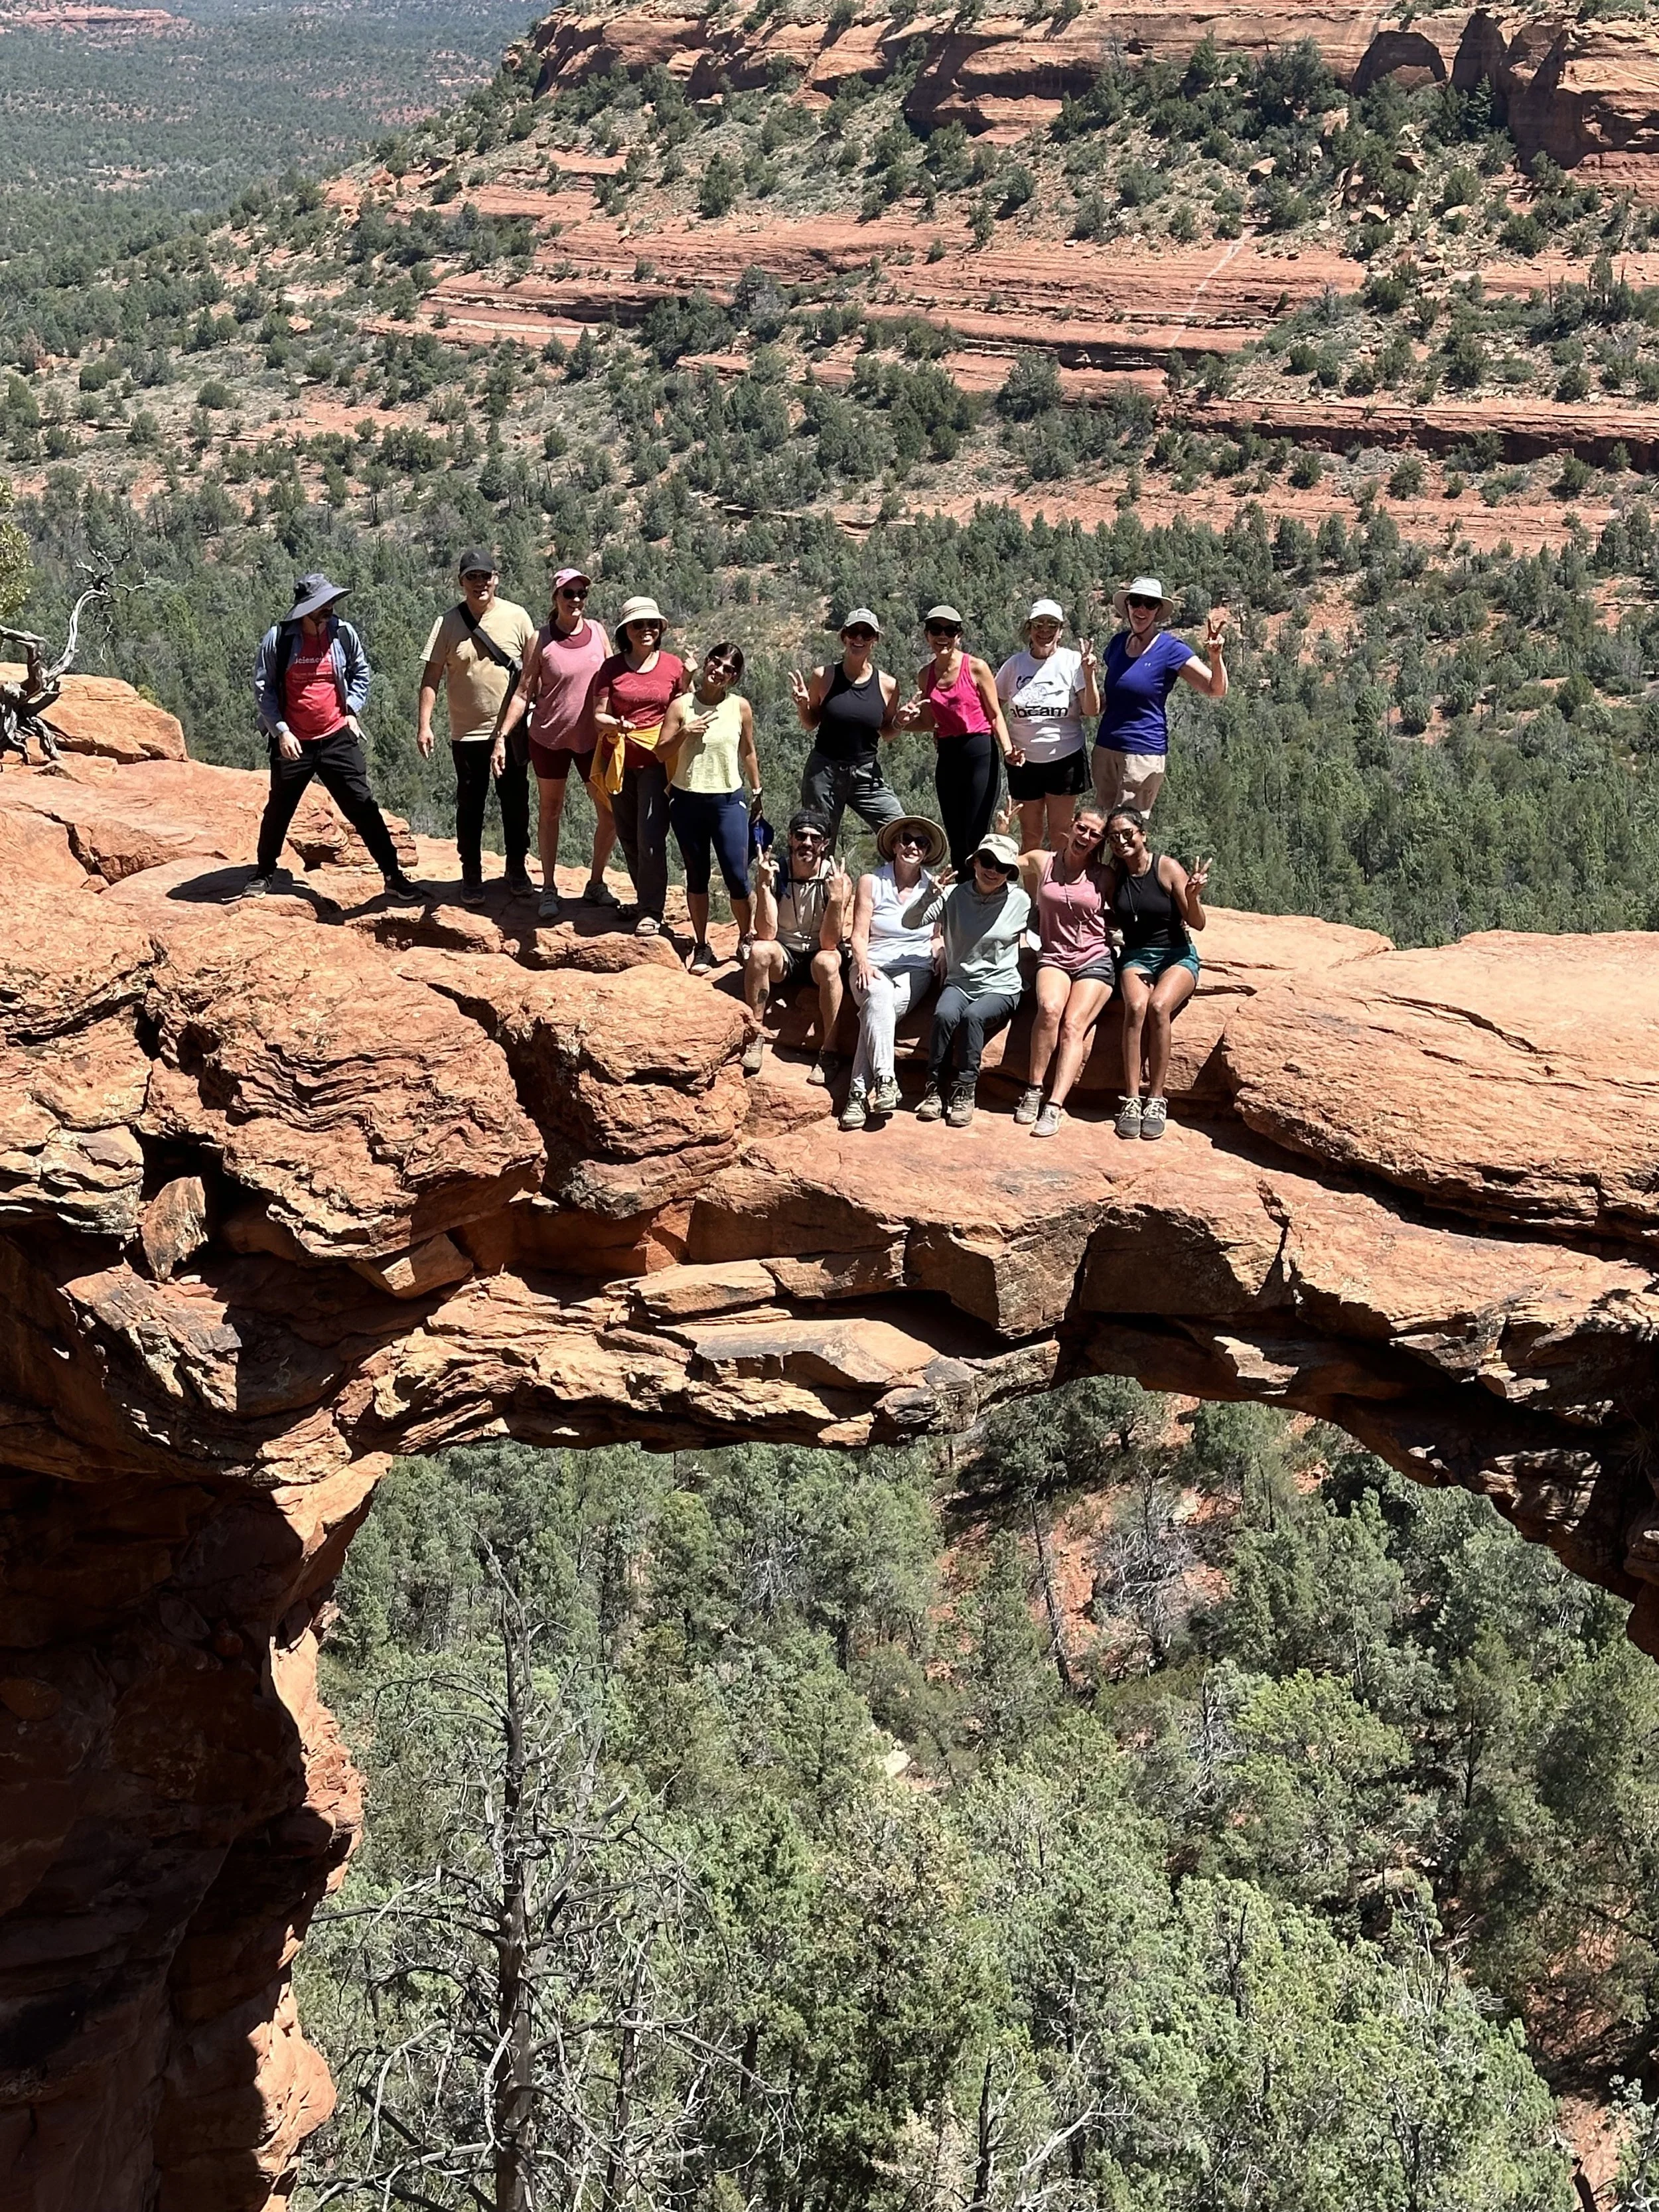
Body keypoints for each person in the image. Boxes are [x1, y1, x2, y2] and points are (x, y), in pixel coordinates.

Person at [248, 571, 421, 901]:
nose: (329, 609)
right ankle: (264, 873)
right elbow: (264, 689)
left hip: (336, 736)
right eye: (322, 605)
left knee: (363, 806)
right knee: (280, 810)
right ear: (305, 610)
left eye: (330, 603)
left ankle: (393, 876)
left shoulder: (342, 633)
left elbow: (361, 671)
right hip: (293, 741)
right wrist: (280, 731)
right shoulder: (280, 639)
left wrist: (351, 711)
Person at [494, 566, 618, 926]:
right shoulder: (541, 639)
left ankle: (595, 882)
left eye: (582, 594)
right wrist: (501, 736)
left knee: (609, 813)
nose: (576, 600)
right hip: (549, 738)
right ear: (556, 598)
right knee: (551, 811)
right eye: (569, 594)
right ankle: (548, 887)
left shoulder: (597, 632)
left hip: (590, 739)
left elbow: (611, 681)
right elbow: (523, 692)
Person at [416, 549, 538, 907]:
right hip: (467, 734)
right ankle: (471, 873)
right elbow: (431, 676)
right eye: (472, 577)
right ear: (461, 582)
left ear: (496, 578)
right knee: (470, 804)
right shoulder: (448, 623)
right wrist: (425, 724)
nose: (480, 583)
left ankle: (516, 867)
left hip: (511, 731)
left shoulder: (518, 618)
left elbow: (532, 674)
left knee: (516, 803)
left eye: (485, 576)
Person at [905, 830, 1031, 1130]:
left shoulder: (1021, 901)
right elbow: (910, 922)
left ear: (1009, 873)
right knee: (944, 1014)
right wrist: (928, 897)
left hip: (1001, 986)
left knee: (973, 1017)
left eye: (1002, 867)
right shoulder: (953, 896)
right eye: (987, 861)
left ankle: (964, 1090)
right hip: (961, 982)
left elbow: (1044, 932)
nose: (993, 871)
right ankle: (934, 1089)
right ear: (974, 862)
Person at [1104, 804, 1210, 1142]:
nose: (1121, 842)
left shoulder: (1166, 868)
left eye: (1127, 834)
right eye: (1114, 837)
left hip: (1176, 954)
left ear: (1142, 835)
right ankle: (1132, 1099)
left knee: (1158, 1007)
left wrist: (1192, 897)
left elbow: (1197, 922)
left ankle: (1156, 1098)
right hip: (1136, 955)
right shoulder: (1115, 875)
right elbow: (1117, 916)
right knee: (1135, 1009)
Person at [589, 596, 690, 938]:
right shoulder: (611, 668)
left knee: (650, 836)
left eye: (652, 625)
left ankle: (651, 910)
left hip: (656, 763)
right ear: (626, 632)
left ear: (660, 629)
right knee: (628, 834)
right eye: (638, 625)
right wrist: (614, 725)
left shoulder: (673, 667)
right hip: (620, 760)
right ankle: (646, 898)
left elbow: (683, 709)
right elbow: (598, 714)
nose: (646, 631)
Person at [839, 812, 947, 1131]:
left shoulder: (934, 887)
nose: (913, 846)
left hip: (915, 968)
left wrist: (940, 954)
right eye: (907, 839)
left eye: (921, 842)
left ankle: (858, 1095)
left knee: (876, 1009)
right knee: (879, 996)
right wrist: (862, 961)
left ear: (927, 851)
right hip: (873, 965)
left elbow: (936, 935)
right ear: (895, 844)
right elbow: (859, 934)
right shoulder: (872, 882)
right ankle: (885, 1078)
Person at [895, 605, 1023, 873]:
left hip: (979, 751)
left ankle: (983, 891)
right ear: (927, 635)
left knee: (975, 833)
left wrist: (1008, 749)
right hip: (949, 755)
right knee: (955, 835)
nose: (943, 636)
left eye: (950, 630)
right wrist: (901, 722)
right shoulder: (925, 676)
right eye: (936, 630)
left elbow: (995, 714)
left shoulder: (976, 668)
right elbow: (929, 722)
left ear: (959, 635)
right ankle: (963, 898)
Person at [1015, 798, 1115, 1139]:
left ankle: (1055, 1105)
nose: (1086, 836)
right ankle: (1033, 1089)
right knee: (1049, 1009)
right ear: (1071, 825)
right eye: (1082, 828)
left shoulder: (1105, 876)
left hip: (1094, 958)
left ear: (1101, 842)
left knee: (1074, 1025)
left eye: (1095, 835)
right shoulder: (1042, 861)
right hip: (1053, 956)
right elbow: (998, 868)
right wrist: (1000, 833)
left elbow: (1133, 903)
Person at [663, 640, 760, 974]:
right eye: (716, 663)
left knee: (737, 875)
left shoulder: (740, 707)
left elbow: (748, 751)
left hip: (728, 800)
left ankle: (746, 937)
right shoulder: (681, 707)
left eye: (729, 669)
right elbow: (661, 752)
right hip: (687, 799)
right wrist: (685, 732)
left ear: (734, 677)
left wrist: (757, 789)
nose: (720, 671)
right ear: (706, 662)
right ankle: (702, 945)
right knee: (697, 875)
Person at [1094, 575, 1228, 816]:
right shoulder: (1117, 644)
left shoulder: (1170, 649)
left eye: (1150, 604)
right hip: (1105, 749)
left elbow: (1215, 689)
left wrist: (1216, 657)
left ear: (1157, 611)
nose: (1142, 609)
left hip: (1142, 753)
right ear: (1128, 606)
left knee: (1127, 830)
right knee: (1099, 827)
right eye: (1136, 602)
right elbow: (1112, 696)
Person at [741, 808, 846, 1082]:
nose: (807, 844)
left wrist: (836, 901)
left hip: (816, 955)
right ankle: (756, 1034)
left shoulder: (835, 880)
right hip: (784, 955)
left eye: (815, 838)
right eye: (801, 836)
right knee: (760, 951)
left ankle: (829, 1050)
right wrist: (764, 887)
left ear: (824, 844)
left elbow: (830, 942)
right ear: (790, 838)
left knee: (829, 961)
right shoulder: (777, 872)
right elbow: (767, 932)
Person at [789, 607, 905, 847]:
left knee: (901, 832)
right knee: (817, 842)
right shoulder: (824, 676)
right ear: (844, 637)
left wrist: (901, 722)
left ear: (875, 640)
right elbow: (811, 723)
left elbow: (887, 732)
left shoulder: (888, 686)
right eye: (854, 632)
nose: (859, 639)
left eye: (867, 634)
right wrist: (802, 706)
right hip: (824, 773)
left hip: (866, 774)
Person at [996, 600, 1100, 853]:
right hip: (1023, 762)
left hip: (1065, 760)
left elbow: (1091, 710)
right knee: (1031, 836)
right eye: (1038, 624)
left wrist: (1088, 675)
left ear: (1061, 630)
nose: (1045, 630)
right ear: (1029, 629)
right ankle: (1034, 893)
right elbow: (993, 708)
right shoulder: (1014, 666)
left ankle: (1059, 891)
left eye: (1052, 624)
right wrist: (1007, 747)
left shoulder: (1073, 661)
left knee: (1061, 834)